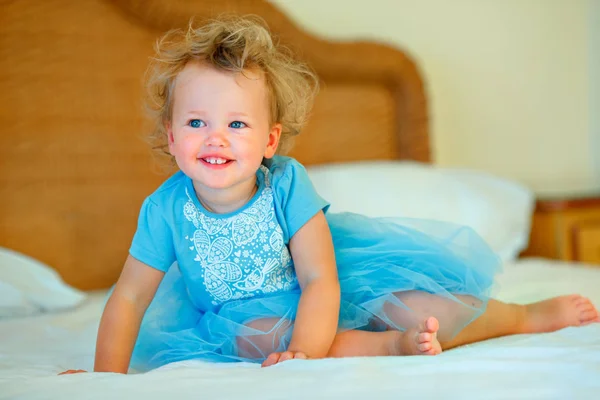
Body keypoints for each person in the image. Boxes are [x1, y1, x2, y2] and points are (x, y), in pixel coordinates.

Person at [61, 15, 598, 375]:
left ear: (269, 139)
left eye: (238, 124)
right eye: (196, 121)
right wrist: (105, 381)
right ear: (172, 137)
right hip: (249, 315)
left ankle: (524, 316)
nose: (216, 137)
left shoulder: (286, 183)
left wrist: (309, 353)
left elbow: (320, 277)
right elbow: (130, 296)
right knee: (261, 337)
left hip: (333, 281)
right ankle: (387, 349)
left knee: (430, 308)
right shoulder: (165, 209)